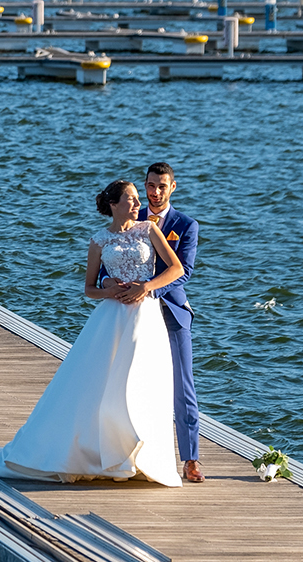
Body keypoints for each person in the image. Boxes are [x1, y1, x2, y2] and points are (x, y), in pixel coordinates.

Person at [0, 180, 185, 486]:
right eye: (129, 199)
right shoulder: (99, 240)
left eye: (136, 198)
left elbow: (176, 268)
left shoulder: (149, 230)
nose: (137, 203)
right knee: (100, 383)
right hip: (112, 316)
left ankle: (138, 457)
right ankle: (99, 454)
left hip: (145, 316)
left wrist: (147, 287)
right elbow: (89, 288)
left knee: (140, 382)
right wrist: (109, 290)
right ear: (113, 205)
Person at [101, 162, 203, 483]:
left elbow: (183, 270)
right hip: (129, 314)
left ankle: (190, 459)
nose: (154, 192)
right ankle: (128, 453)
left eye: (161, 186)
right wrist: (106, 282)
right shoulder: (131, 215)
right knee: (124, 382)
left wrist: (148, 290)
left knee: (182, 387)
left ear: (173, 187)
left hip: (170, 311)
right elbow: (110, 254)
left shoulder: (186, 225)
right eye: (150, 185)